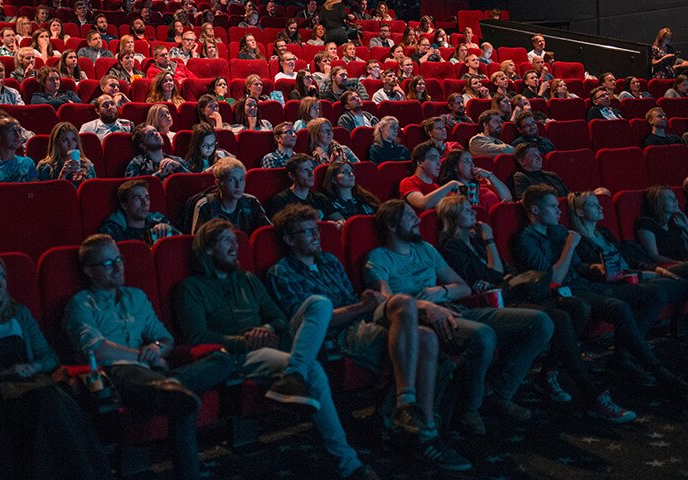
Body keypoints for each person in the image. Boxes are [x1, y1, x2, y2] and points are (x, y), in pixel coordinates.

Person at [265, 204, 470, 470]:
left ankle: (407, 407)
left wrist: (366, 304)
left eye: (316, 230)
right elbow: (309, 323)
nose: (316, 236)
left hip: (361, 318)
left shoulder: (329, 261)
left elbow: (356, 302)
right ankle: (425, 434)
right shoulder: (282, 272)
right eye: (307, 232)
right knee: (426, 340)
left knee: (407, 306)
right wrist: (361, 307)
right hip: (338, 332)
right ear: (290, 239)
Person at [175, 219, 379, 480]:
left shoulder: (247, 279)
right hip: (240, 354)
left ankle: (293, 375)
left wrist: (269, 328)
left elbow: (280, 318)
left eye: (235, 240)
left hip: (274, 341)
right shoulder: (191, 288)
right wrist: (247, 341)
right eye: (226, 241)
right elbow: (199, 336)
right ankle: (349, 464)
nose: (234, 246)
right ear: (207, 249)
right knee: (313, 369)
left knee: (319, 303)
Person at [437, 195, 636, 423]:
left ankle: (549, 373)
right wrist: (491, 241)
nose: (473, 212)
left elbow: (502, 271)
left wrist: (498, 265)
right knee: (559, 318)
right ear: (452, 217)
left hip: (517, 292)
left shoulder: (476, 239)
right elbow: (492, 275)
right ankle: (593, 395)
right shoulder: (452, 246)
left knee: (578, 307)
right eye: (465, 210)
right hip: (498, 301)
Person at [365, 199, 553, 432]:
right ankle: (469, 409)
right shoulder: (379, 257)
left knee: (540, 323)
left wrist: (440, 291)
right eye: (409, 216)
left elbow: (463, 287)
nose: (417, 220)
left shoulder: (426, 249)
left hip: (456, 308)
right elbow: (387, 301)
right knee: (483, 335)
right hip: (424, 319)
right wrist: (425, 305)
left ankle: (498, 393)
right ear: (392, 226)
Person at [513, 185, 688, 401]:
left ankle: (622, 357)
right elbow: (554, 279)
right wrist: (569, 246)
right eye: (552, 207)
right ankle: (662, 375)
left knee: (654, 293)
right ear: (535, 211)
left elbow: (578, 268)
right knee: (619, 307)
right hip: (563, 293)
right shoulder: (527, 240)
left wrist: (596, 268)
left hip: (585, 284)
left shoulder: (558, 231)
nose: (559, 211)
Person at [64, 235, 231, 480]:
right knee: (177, 399)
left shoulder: (136, 297)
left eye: (119, 259)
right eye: (108, 264)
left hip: (154, 374)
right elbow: (96, 350)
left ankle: (172, 388)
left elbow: (165, 339)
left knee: (222, 360)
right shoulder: (81, 304)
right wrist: (142, 356)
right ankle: (172, 392)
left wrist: (155, 348)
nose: (119, 266)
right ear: (89, 271)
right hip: (116, 375)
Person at [0, 253, 110, 480]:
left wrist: (33, 366)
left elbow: (49, 357)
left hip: (34, 385)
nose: (0, 283)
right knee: (48, 403)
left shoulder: (18, 314)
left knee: (50, 401)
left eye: (2, 276)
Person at [572, 189, 688, 366]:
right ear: (580, 212)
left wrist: (656, 270)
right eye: (592, 204)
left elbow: (630, 259)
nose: (599, 207)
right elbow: (601, 272)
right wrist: (650, 272)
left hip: (645, 274)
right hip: (629, 282)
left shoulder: (604, 232)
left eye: (598, 203)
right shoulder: (578, 241)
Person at [190, 157, 269, 234]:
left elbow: (266, 233)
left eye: (241, 179)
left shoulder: (251, 202)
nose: (238, 185)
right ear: (218, 183)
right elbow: (200, 243)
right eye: (232, 180)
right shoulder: (205, 206)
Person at [267, 153, 343, 223]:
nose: (311, 174)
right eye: (305, 170)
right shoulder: (281, 200)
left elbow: (340, 220)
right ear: (292, 176)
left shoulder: (320, 198)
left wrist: (338, 224)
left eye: (312, 169)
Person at [98, 180, 178, 243]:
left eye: (147, 198)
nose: (145, 203)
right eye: (137, 198)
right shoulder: (113, 231)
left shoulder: (158, 221)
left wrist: (170, 230)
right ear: (124, 205)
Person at [439, 149, 511, 213]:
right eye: (466, 161)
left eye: (472, 161)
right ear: (455, 167)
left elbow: (507, 198)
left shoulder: (483, 189)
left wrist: (490, 175)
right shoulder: (449, 192)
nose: (472, 165)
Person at [400, 141, 465, 212]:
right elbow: (422, 204)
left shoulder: (437, 188)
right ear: (420, 162)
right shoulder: (408, 182)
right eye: (433, 158)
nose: (439, 164)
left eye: (439, 159)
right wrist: (452, 184)